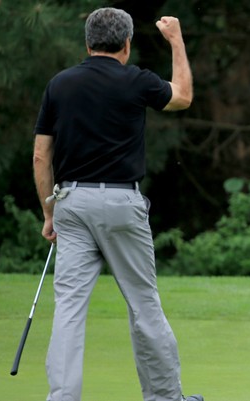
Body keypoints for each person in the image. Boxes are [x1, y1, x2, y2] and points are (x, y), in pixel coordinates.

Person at [32, 7, 202, 401]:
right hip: (121, 201)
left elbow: (42, 154)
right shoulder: (136, 80)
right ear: (126, 44)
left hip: (70, 200)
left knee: (69, 308)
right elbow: (183, 97)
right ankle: (164, 397)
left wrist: (48, 210)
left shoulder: (60, 84)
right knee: (143, 301)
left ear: (88, 43)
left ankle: (62, 397)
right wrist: (176, 40)